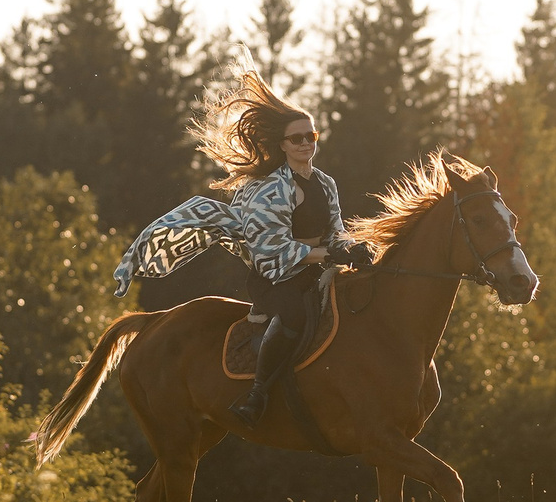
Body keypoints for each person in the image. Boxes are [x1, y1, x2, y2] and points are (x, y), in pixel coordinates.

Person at [113, 72, 376, 421]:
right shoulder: (270, 190)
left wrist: (353, 247)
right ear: (283, 145)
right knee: (295, 316)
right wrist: (330, 253)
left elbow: (336, 230)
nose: (305, 143)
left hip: (315, 269)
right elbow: (273, 253)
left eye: (310, 136)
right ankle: (258, 395)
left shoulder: (326, 183)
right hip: (276, 279)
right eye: (296, 138)